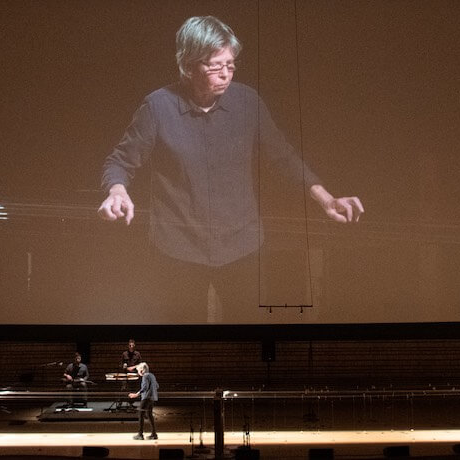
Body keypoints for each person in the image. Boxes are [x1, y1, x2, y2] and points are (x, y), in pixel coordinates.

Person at [98, 16, 364, 321]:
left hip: (243, 247)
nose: (226, 74)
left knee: (247, 340)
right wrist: (117, 191)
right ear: (188, 65)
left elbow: (283, 156)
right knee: (185, 341)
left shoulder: (247, 101)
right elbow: (120, 160)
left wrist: (327, 199)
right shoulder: (157, 107)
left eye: (231, 64)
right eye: (215, 65)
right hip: (179, 250)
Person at [129, 362, 159, 440]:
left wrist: (136, 394)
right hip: (153, 398)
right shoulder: (152, 375)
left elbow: (144, 387)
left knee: (141, 415)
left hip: (146, 398)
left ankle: (140, 434)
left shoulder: (145, 376)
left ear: (142, 370)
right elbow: (157, 386)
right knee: (149, 415)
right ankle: (154, 434)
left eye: (138, 370)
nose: (138, 372)